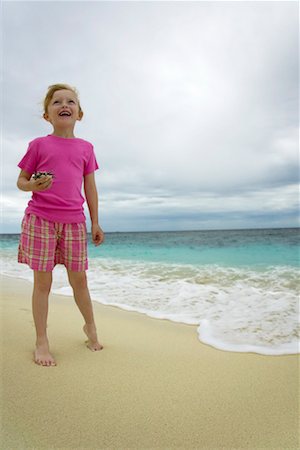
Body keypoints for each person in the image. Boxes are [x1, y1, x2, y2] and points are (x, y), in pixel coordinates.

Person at [17, 83, 105, 366]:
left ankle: (90, 326)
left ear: (79, 113)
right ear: (47, 115)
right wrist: (33, 184)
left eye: (70, 102)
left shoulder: (86, 148)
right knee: (43, 282)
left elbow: (90, 187)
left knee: (80, 280)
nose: (64, 105)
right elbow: (21, 182)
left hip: (74, 223)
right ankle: (41, 342)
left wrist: (95, 222)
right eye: (57, 102)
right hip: (40, 219)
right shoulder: (38, 145)